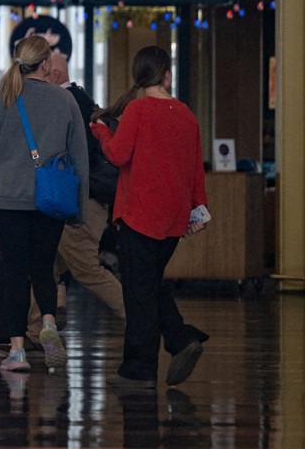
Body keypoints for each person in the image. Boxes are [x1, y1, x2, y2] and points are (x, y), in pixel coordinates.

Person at [0, 35, 88, 373]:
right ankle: (47, 322)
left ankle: (17, 352)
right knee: (43, 268)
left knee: (15, 273)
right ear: (46, 64)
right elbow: (80, 159)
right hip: (52, 200)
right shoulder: (65, 101)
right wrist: (80, 211)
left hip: (7, 199)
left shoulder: (4, 96)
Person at [91, 46, 209, 389]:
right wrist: (198, 209)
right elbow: (195, 170)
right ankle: (180, 338)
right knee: (149, 284)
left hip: (140, 215)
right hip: (173, 220)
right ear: (167, 75)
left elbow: (116, 155)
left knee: (139, 292)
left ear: (139, 76)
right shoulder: (187, 115)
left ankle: (139, 368)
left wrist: (100, 131)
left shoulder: (139, 110)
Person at [26, 52, 125, 341]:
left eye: (41, 75)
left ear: (53, 76)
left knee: (86, 269)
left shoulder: (63, 105)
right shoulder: (84, 101)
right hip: (85, 202)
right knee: (43, 264)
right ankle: (35, 332)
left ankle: (144, 318)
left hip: (74, 205)